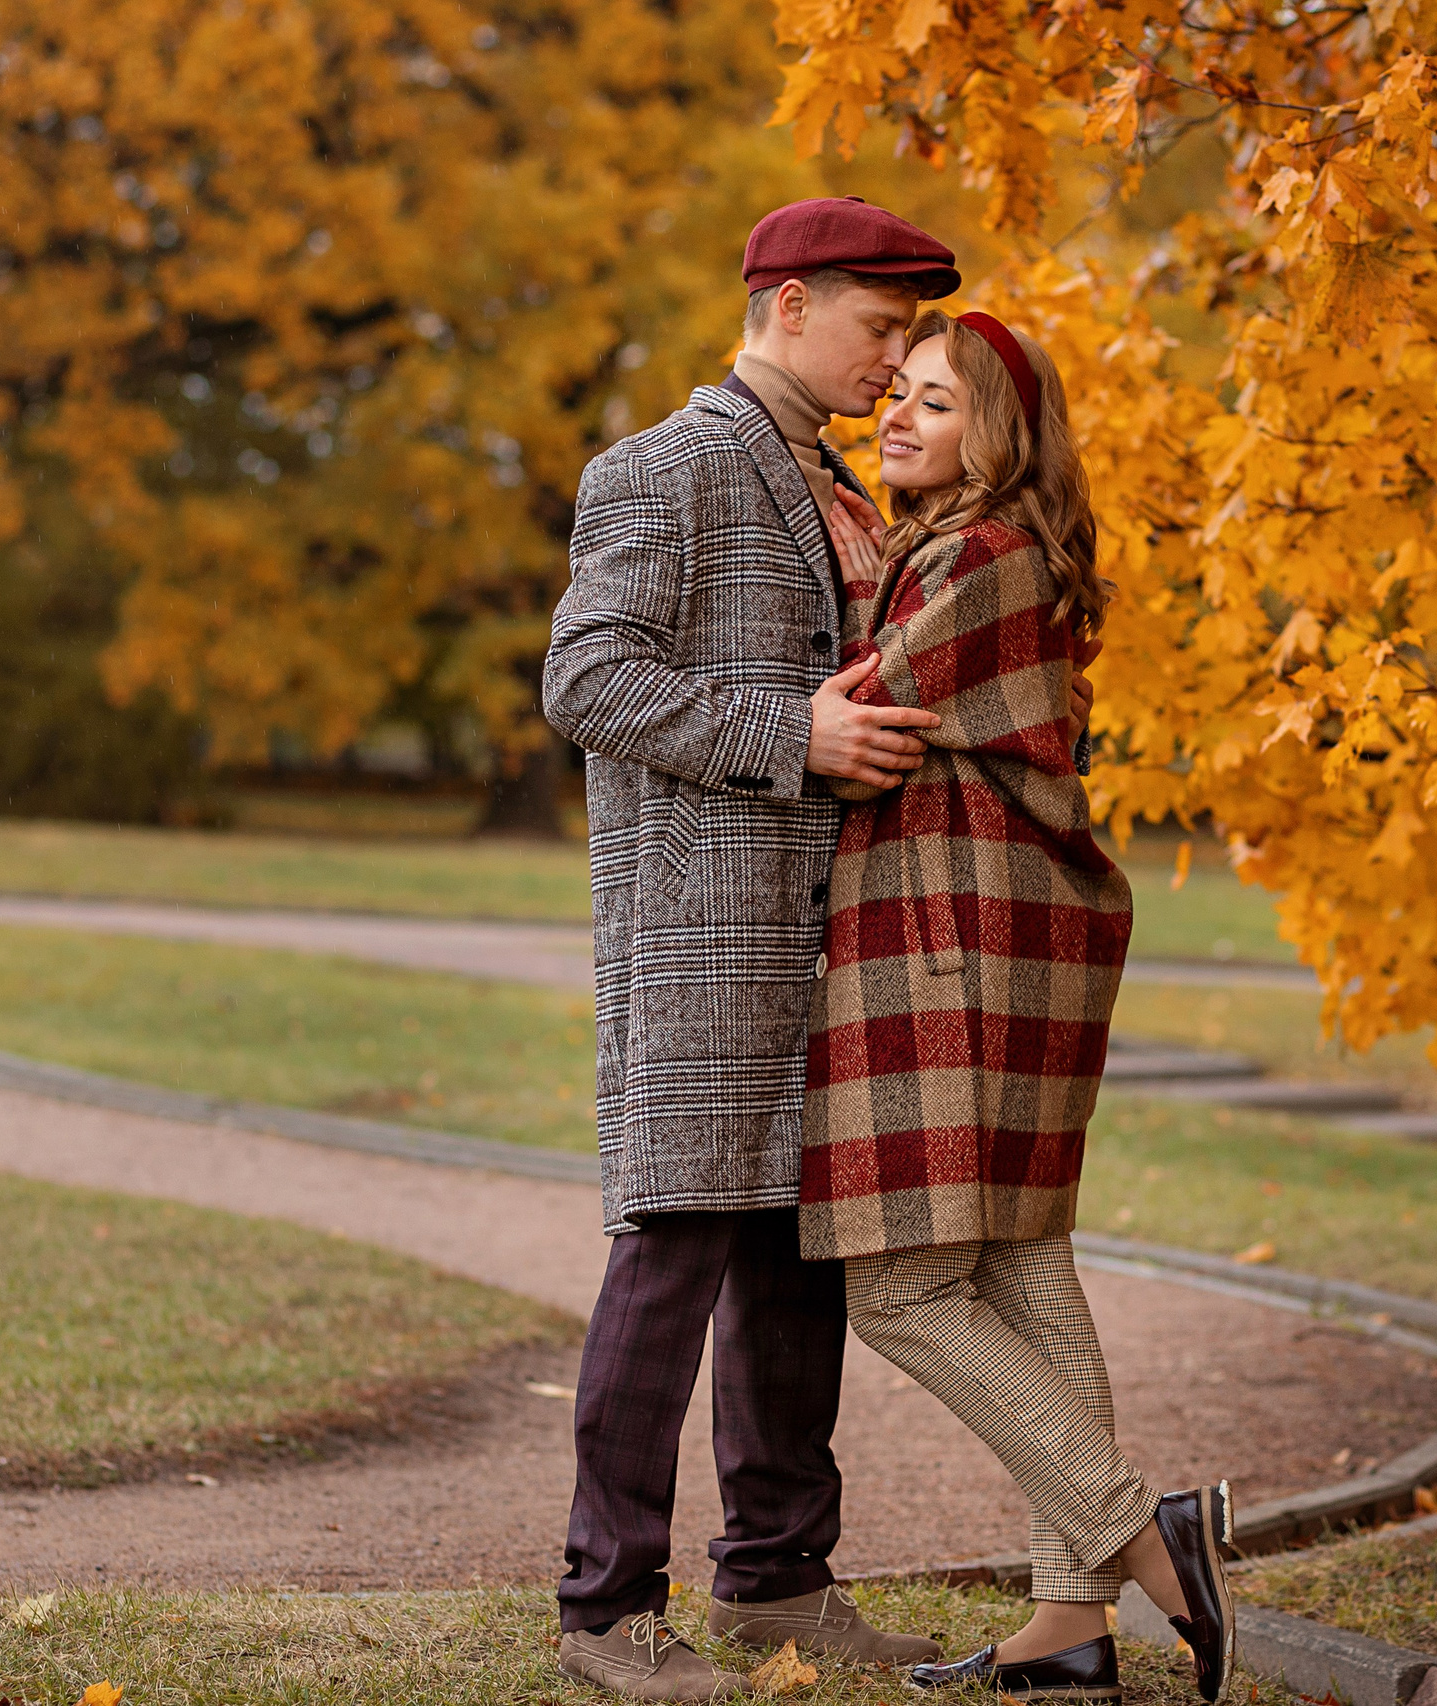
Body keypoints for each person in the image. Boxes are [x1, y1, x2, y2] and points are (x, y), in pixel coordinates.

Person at [538, 196, 970, 1704]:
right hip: (705, 933)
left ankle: (779, 1581)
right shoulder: (661, 464)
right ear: (787, 304)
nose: (893, 359)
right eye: (878, 326)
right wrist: (794, 731)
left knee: (800, 1269)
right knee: (672, 1257)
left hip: (826, 936)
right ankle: (605, 1611)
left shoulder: (837, 479)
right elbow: (587, 676)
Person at [800, 309, 1237, 1703]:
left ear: (1000, 438)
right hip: (1005, 940)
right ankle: (1068, 1623)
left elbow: (864, 712)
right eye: (901, 394)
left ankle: (1139, 1533)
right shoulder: (972, 551)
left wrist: (785, 709)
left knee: (907, 1287)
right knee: (1023, 1269)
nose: (901, 416)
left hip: (963, 948)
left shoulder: (981, 556)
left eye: (938, 402)